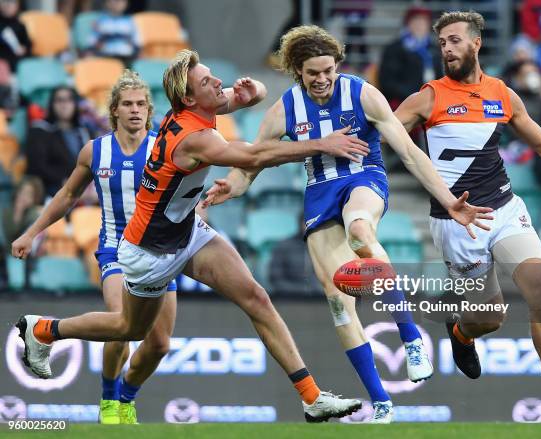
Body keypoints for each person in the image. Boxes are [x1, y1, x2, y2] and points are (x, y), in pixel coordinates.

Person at [14, 49, 370, 423]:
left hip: (186, 232)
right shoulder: (190, 139)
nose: (218, 83)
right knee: (127, 328)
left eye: (214, 76)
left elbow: (248, 93)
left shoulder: (198, 108)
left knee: (256, 298)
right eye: (207, 81)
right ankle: (44, 329)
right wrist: (321, 144)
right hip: (147, 251)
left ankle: (311, 397)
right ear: (188, 98)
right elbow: (253, 157)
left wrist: (255, 94)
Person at [203, 25, 493, 423]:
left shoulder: (362, 93)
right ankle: (382, 404)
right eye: (312, 73)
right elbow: (253, 163)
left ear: (337, 65)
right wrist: (230, 187)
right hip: (319, 192)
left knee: (360, 230)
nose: (321, 80)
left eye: (328, 71)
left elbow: (408, 152)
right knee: (338, 301)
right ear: (297, 72)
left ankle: (410, 339)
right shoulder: (285, 109)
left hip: (364, 178)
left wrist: (448, 200)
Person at [393, 11, 541, 422]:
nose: (447, 49)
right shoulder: (428, 97)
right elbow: (384, 128)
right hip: (456, 222)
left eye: (454, 40)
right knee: (490, 317)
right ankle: (460, 331)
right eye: (442, 43)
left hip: (504, 210)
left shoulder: (503, 94)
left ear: (476, 43)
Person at [14, 70, 178, 424]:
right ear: (114, 110)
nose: (134, 110)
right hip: (116, 249)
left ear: (149, 111)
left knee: (160, 344)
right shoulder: (96, 150)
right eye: (127, 104)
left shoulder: (163, 150)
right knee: (121, 325)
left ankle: (126, 397)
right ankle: (108, 402)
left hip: (160, 253)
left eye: (140, 104)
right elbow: (68, 195)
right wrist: (32, 233)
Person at [25, 86, 92, 198]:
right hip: (50, 189)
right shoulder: (40, 130)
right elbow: (37, 166)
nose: (64, 105)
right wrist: (64, 181)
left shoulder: (84, 132)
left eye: (69, 100)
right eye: (59, 100)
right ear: (52, 104)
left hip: (83, 189)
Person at [379, 6, 442, 111]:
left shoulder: (433, 48)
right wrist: (415, 96)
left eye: (423, 22)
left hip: (431, 99)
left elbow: (440, 77)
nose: (419, 25)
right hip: (403, 101)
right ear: (408, 23)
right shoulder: (395, 48)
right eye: (416, 21)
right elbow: (388, 82)